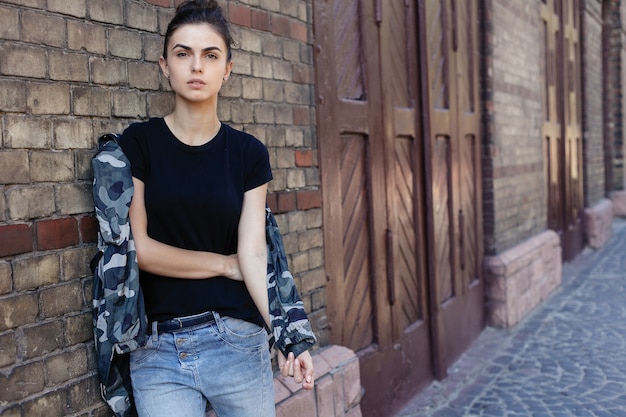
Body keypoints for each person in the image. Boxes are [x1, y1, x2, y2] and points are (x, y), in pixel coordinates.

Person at [119, 1, 314, 416]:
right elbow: (144, 250)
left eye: (210, 55)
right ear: (164, 65)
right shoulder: (138, 145)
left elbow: (255, 252)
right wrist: (226, 266)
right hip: (158, 349)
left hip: (236, 341)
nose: (196, 67)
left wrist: (288, 337)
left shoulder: (248, 155)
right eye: (182, 53)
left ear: (227, 69)